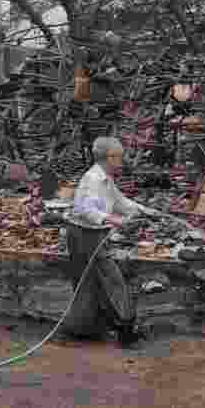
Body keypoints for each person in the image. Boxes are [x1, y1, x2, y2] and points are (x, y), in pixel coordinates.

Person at [63, 136, 152, 346]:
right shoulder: (92, 179)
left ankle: (85, 329)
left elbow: (118, 200)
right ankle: (126, 330)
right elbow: (84, 210)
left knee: (91, 282)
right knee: (112, 280)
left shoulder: (106, 178)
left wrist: (144, 210)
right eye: (119, 157)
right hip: (83, 235)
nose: (121, 161)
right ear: (108, 157)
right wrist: (114, 220)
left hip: (94, 234)